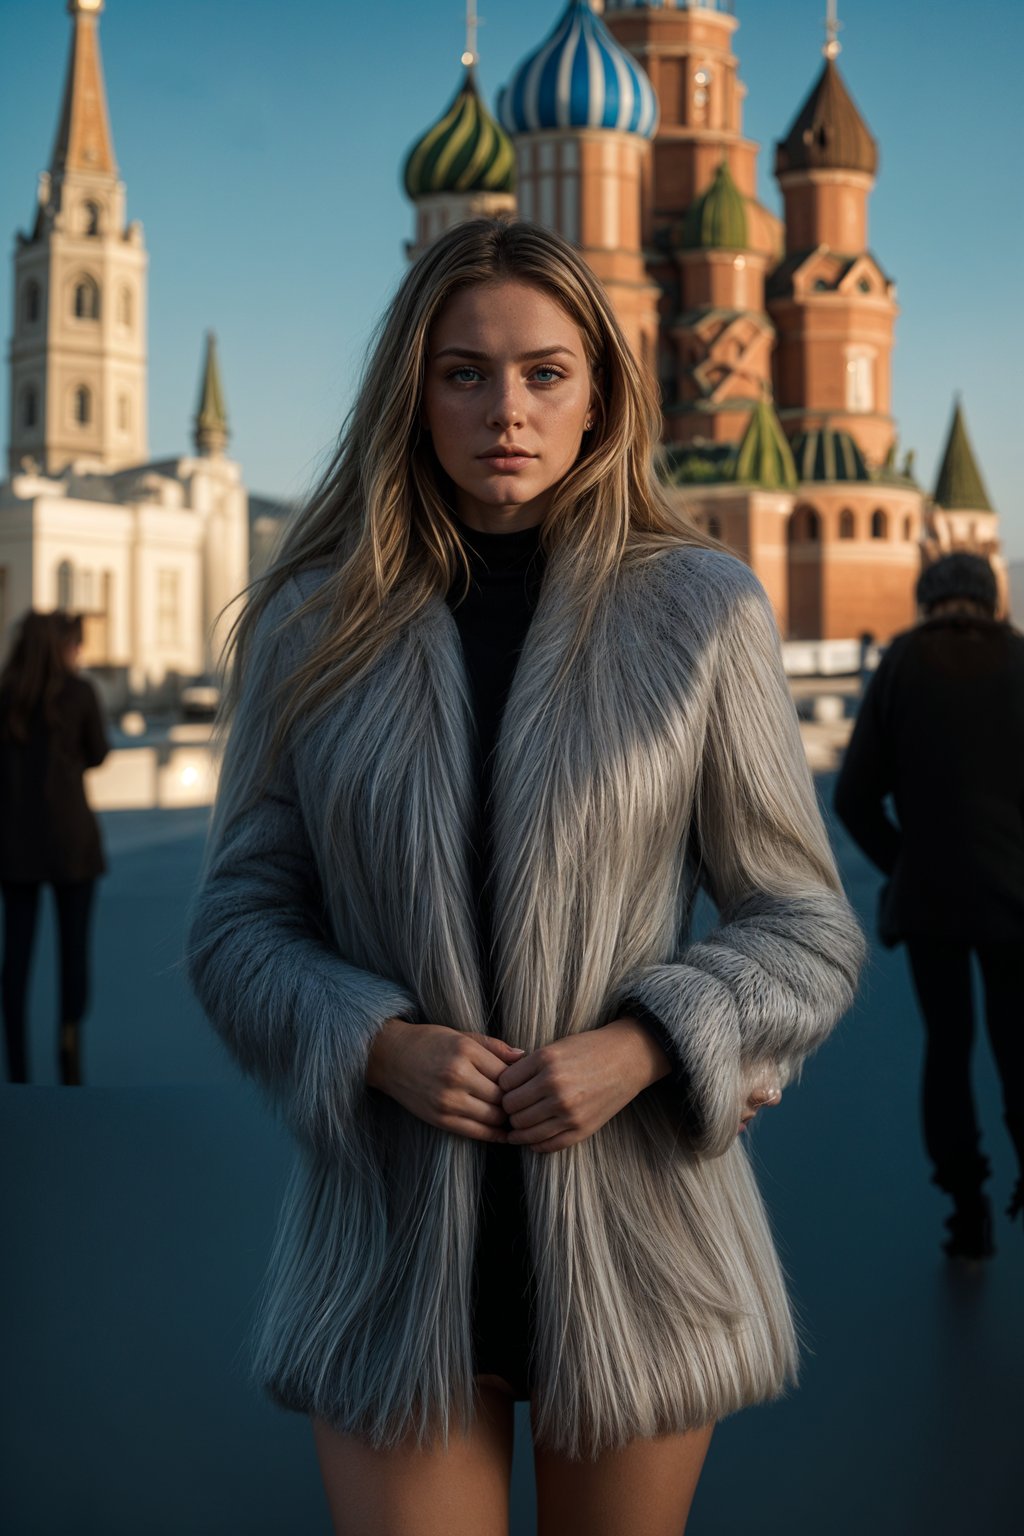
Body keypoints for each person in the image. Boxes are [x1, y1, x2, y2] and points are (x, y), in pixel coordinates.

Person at [186, 217, 864, 1536]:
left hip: (637, 1228)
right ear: (413, 390)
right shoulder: (312, 619)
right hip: (390, 1235)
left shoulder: (700, 612)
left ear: (602, 392)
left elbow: (804, 924)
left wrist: (649, 1043)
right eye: (467, 372)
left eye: (547, 373)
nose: (509, 409)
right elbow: (238, 920)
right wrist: (374, 1043)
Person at [834, 551, 1024, 1261]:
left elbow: (854, 798)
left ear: (927, 599)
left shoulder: (903, 666)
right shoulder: (1021, 660)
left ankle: (967, 1207)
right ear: (991, 598)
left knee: (949, 1049)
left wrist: (905, 862)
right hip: (1017, 902)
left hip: (933, 900)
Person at [0, 609, 109, 1085]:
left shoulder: (4, 696)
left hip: (13, 844)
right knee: (73, 953)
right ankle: (68, 1052)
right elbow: (99, 752)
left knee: (16, 957)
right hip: (71, 843)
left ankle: (17, 1066)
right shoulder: (79, 693)